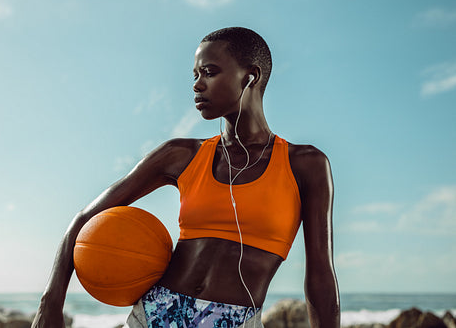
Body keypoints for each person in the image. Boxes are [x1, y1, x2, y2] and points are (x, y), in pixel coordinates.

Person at [32, 27, 340, 328]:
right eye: (195, 75)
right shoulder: (181, 155)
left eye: (209, 71)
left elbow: (320, 275)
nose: (197, 84)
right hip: (154, 315)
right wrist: (50, 304)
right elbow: (85, 218)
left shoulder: (305, 164)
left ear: (251, 76)